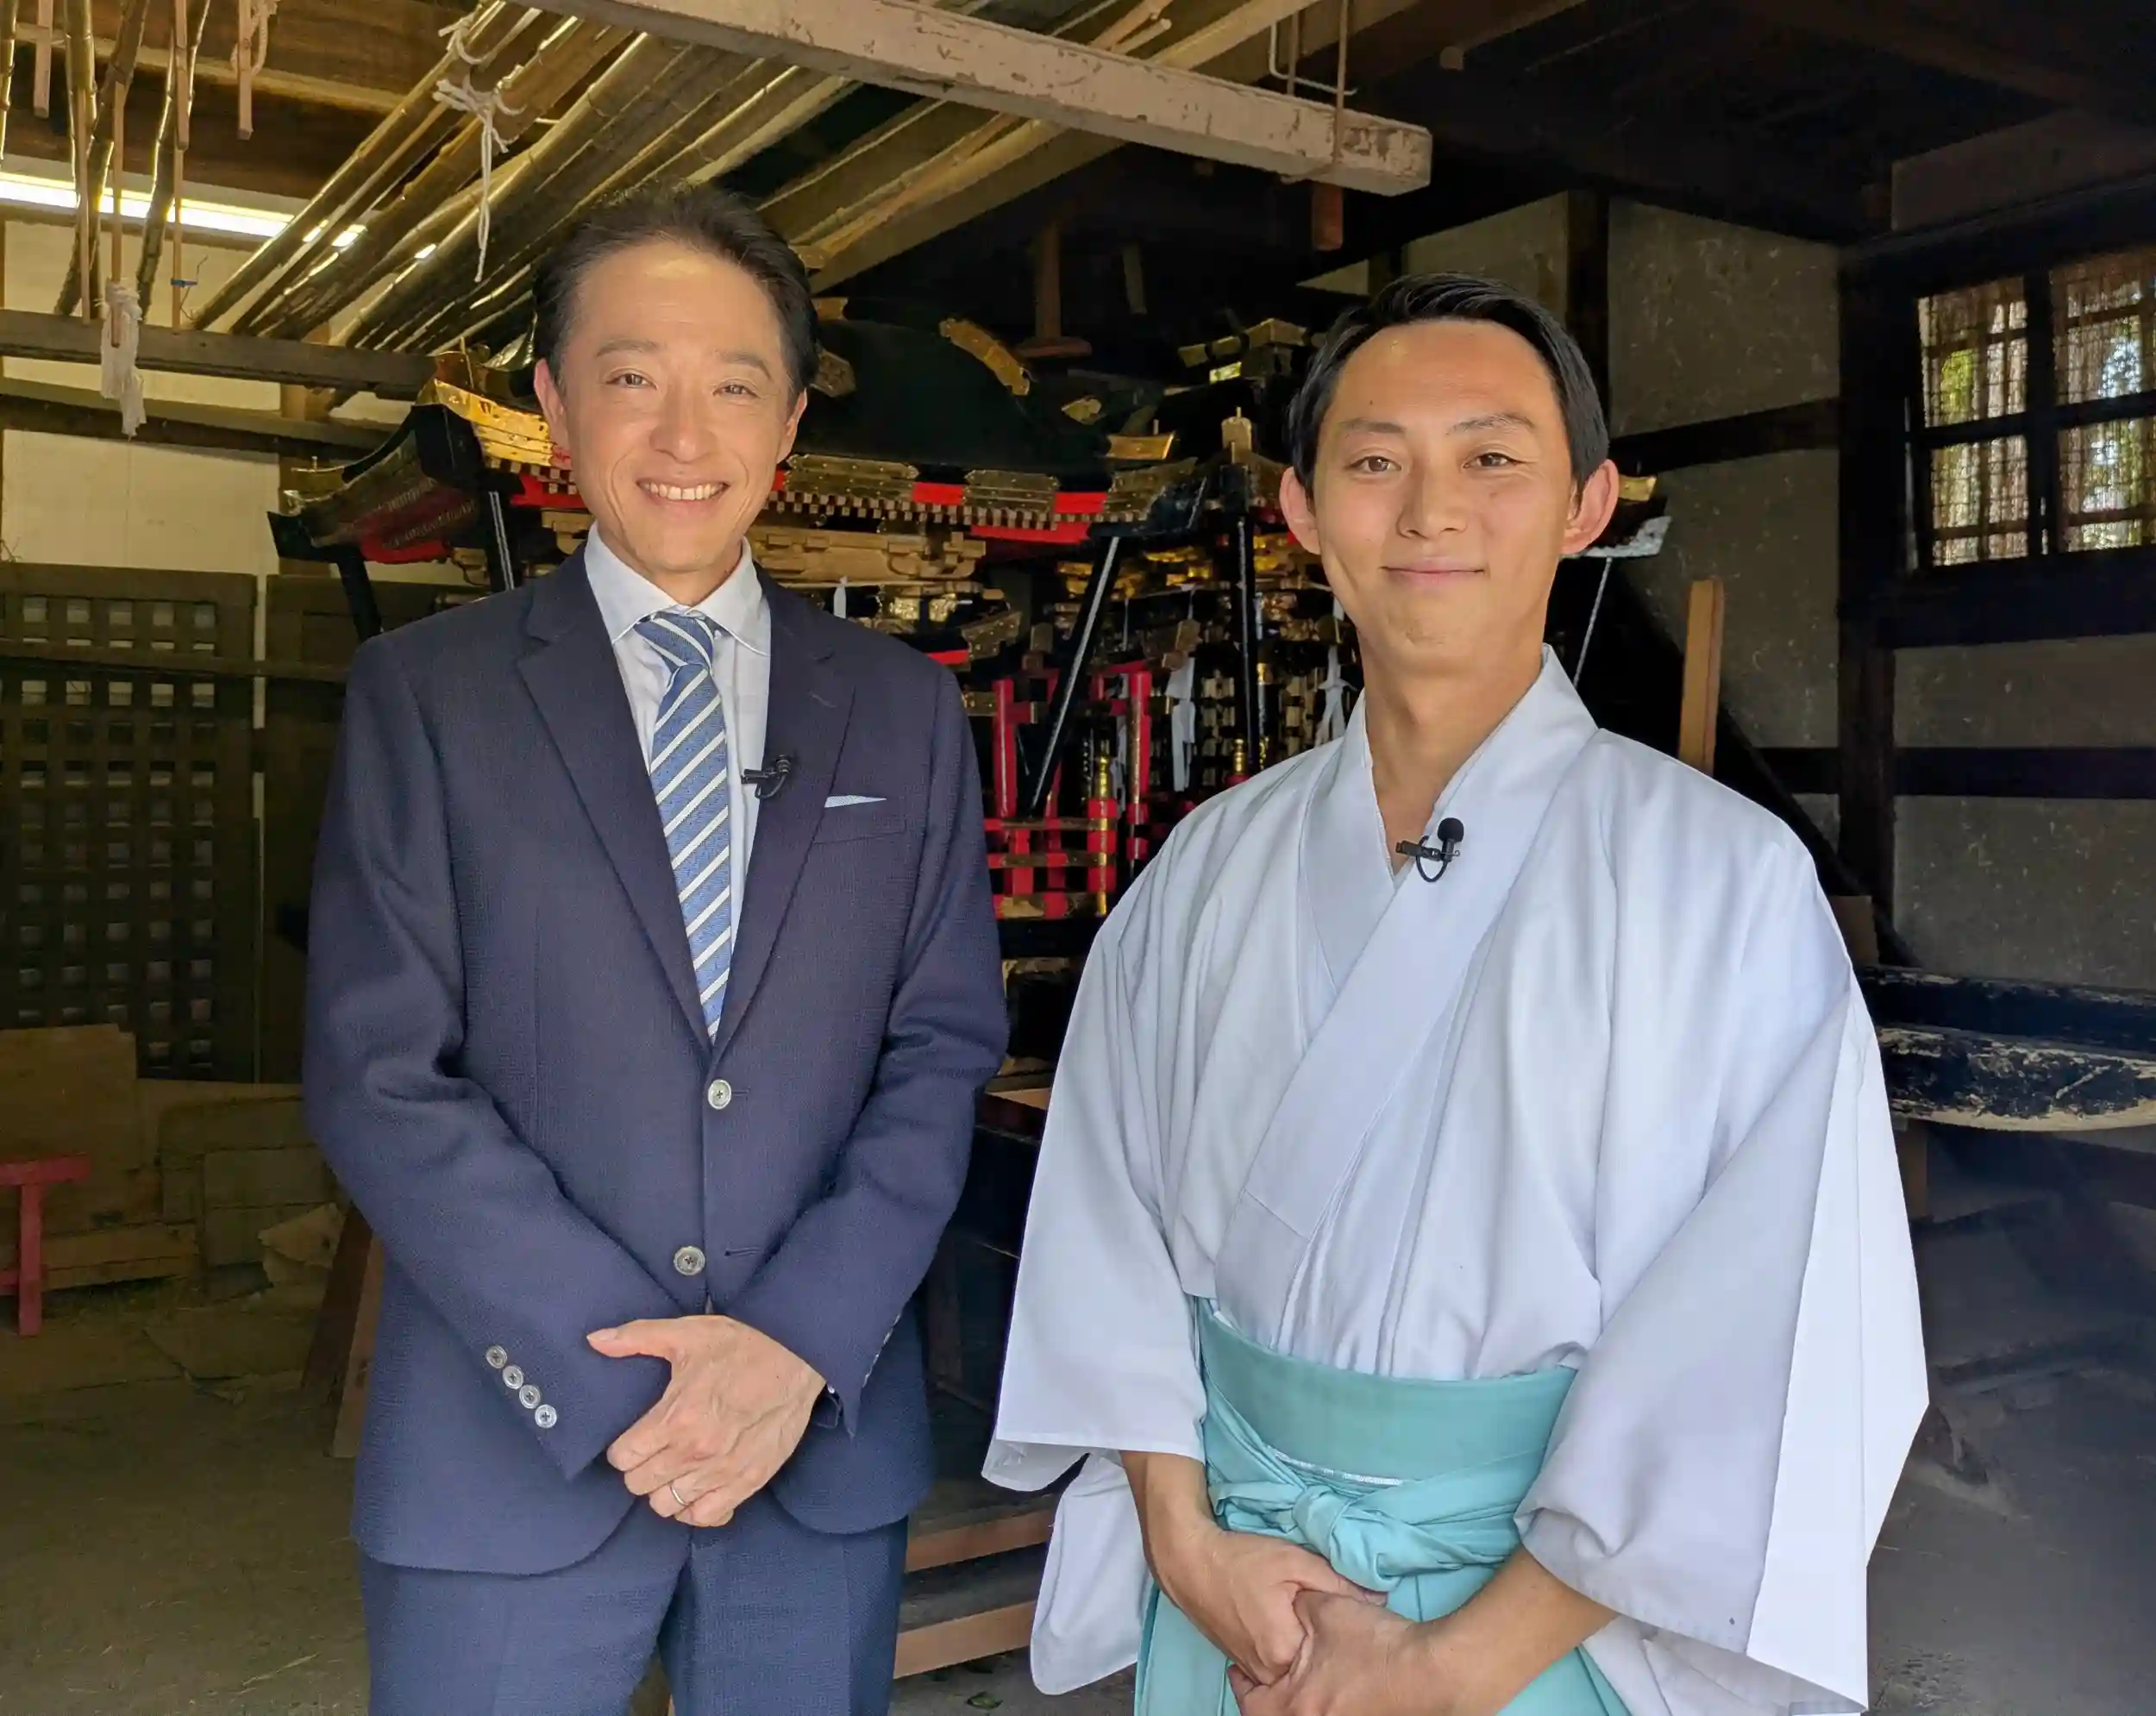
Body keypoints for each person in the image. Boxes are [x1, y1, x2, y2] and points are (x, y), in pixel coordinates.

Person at [985, 274, 1927, 1716]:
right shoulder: (1205, 873)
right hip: (1239, 1595)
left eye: (1492, 456)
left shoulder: (1723, 884)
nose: (1431, 511)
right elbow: (1101, 1235)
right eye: (1376, 461)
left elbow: (1774, 1333)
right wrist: (1182, 1540)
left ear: (1588, 502)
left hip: (1537, 1643)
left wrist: (1447, 1665)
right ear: (1303, 509)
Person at [304, 185, 1006, 1715]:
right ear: (554, 405)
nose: (685, 434)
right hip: (509, 1450)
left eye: (734, 385)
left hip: (810, 1443)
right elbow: (379, 1073)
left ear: (790, 420)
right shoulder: (429, 696)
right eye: (632, 376)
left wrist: (790, 1347)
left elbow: (942, 1045)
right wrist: (636, 1377)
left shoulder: (898, 710)